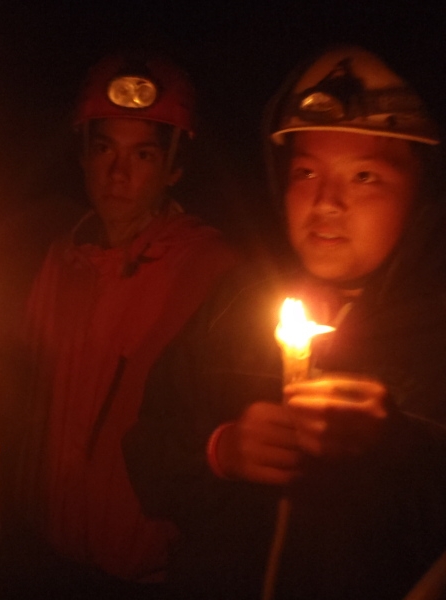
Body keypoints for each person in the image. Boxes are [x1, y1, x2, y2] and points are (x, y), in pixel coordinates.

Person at [124, 45, 446, 599]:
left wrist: (395, 448)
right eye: (306, 171)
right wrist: (222, 452)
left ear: (421, 194)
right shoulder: (237, 301)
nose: (326, 202)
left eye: (365, 176)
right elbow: (147, 450)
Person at [0, 52, 237, 598]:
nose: (118, 173)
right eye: (105, 149)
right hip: (42, 564)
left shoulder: (208, 270)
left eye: (143, 155)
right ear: (83, 156)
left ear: (175, 165)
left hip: (148, 578)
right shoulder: (61, 260)